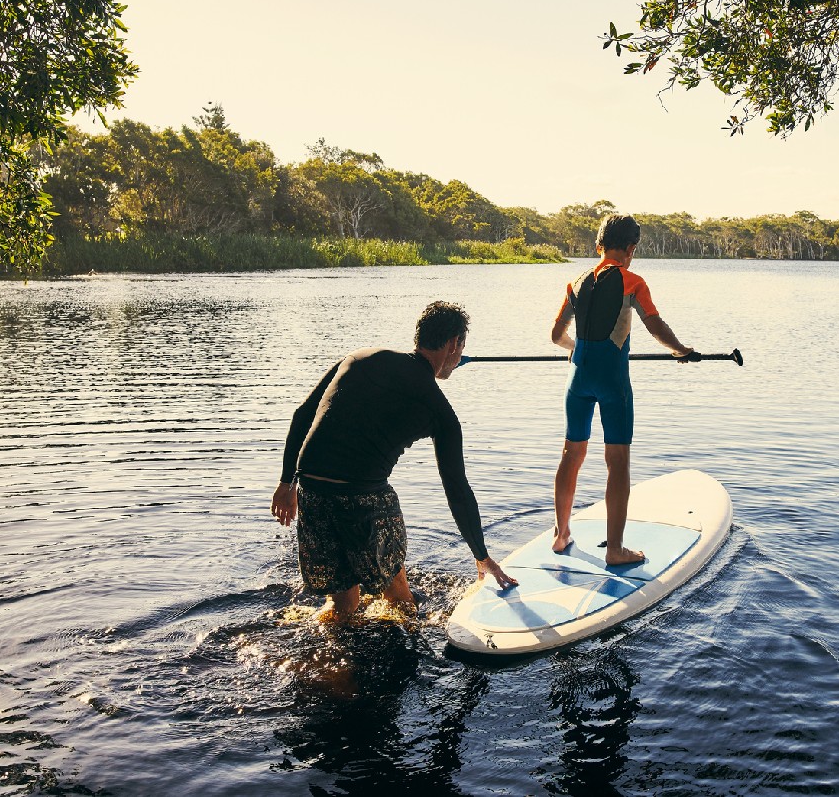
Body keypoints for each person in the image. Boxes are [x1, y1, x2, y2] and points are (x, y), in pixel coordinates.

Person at [272, 301, 518, 623]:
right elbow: (456, 489)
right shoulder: (440, 411)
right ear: (454, 344)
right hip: (363, 498)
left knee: (344, 605)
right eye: (461, 348)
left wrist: (287, 482)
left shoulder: (360, 358)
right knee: (401, 601)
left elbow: (303, 415)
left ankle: (330, 658)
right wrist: (481, 555)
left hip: (312, 491)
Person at [550, 215, 696, 564]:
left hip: (578, 378)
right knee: (617, 461)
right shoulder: (633, 282)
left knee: (571, 455)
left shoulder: (575, 282)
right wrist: (681, 351)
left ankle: (561, 534)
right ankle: (615, 549)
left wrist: (575, 348)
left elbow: (556, 336)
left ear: (598, 246)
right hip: (613, 382)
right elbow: (655, 326)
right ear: (631, 249)